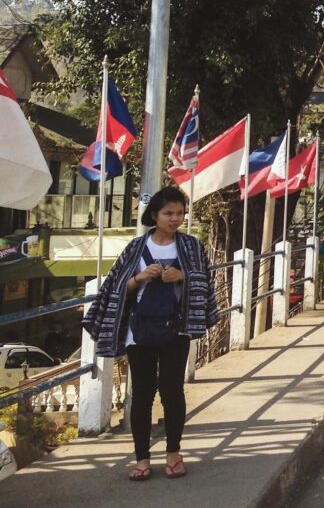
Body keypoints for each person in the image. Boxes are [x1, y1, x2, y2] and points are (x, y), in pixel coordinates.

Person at [81, 187, 220, 481]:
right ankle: (142, 459)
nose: (175, 219)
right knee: (142, 394)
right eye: (169, 213)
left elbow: (205, 281)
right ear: (154, 215)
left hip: (176, 329)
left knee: (172, 391)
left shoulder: (192, 247)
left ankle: (173, 454)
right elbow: (115, 287)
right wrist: (139, 278)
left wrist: (182, 276)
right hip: (138, 331)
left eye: (180, 213)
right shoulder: (135, 248)